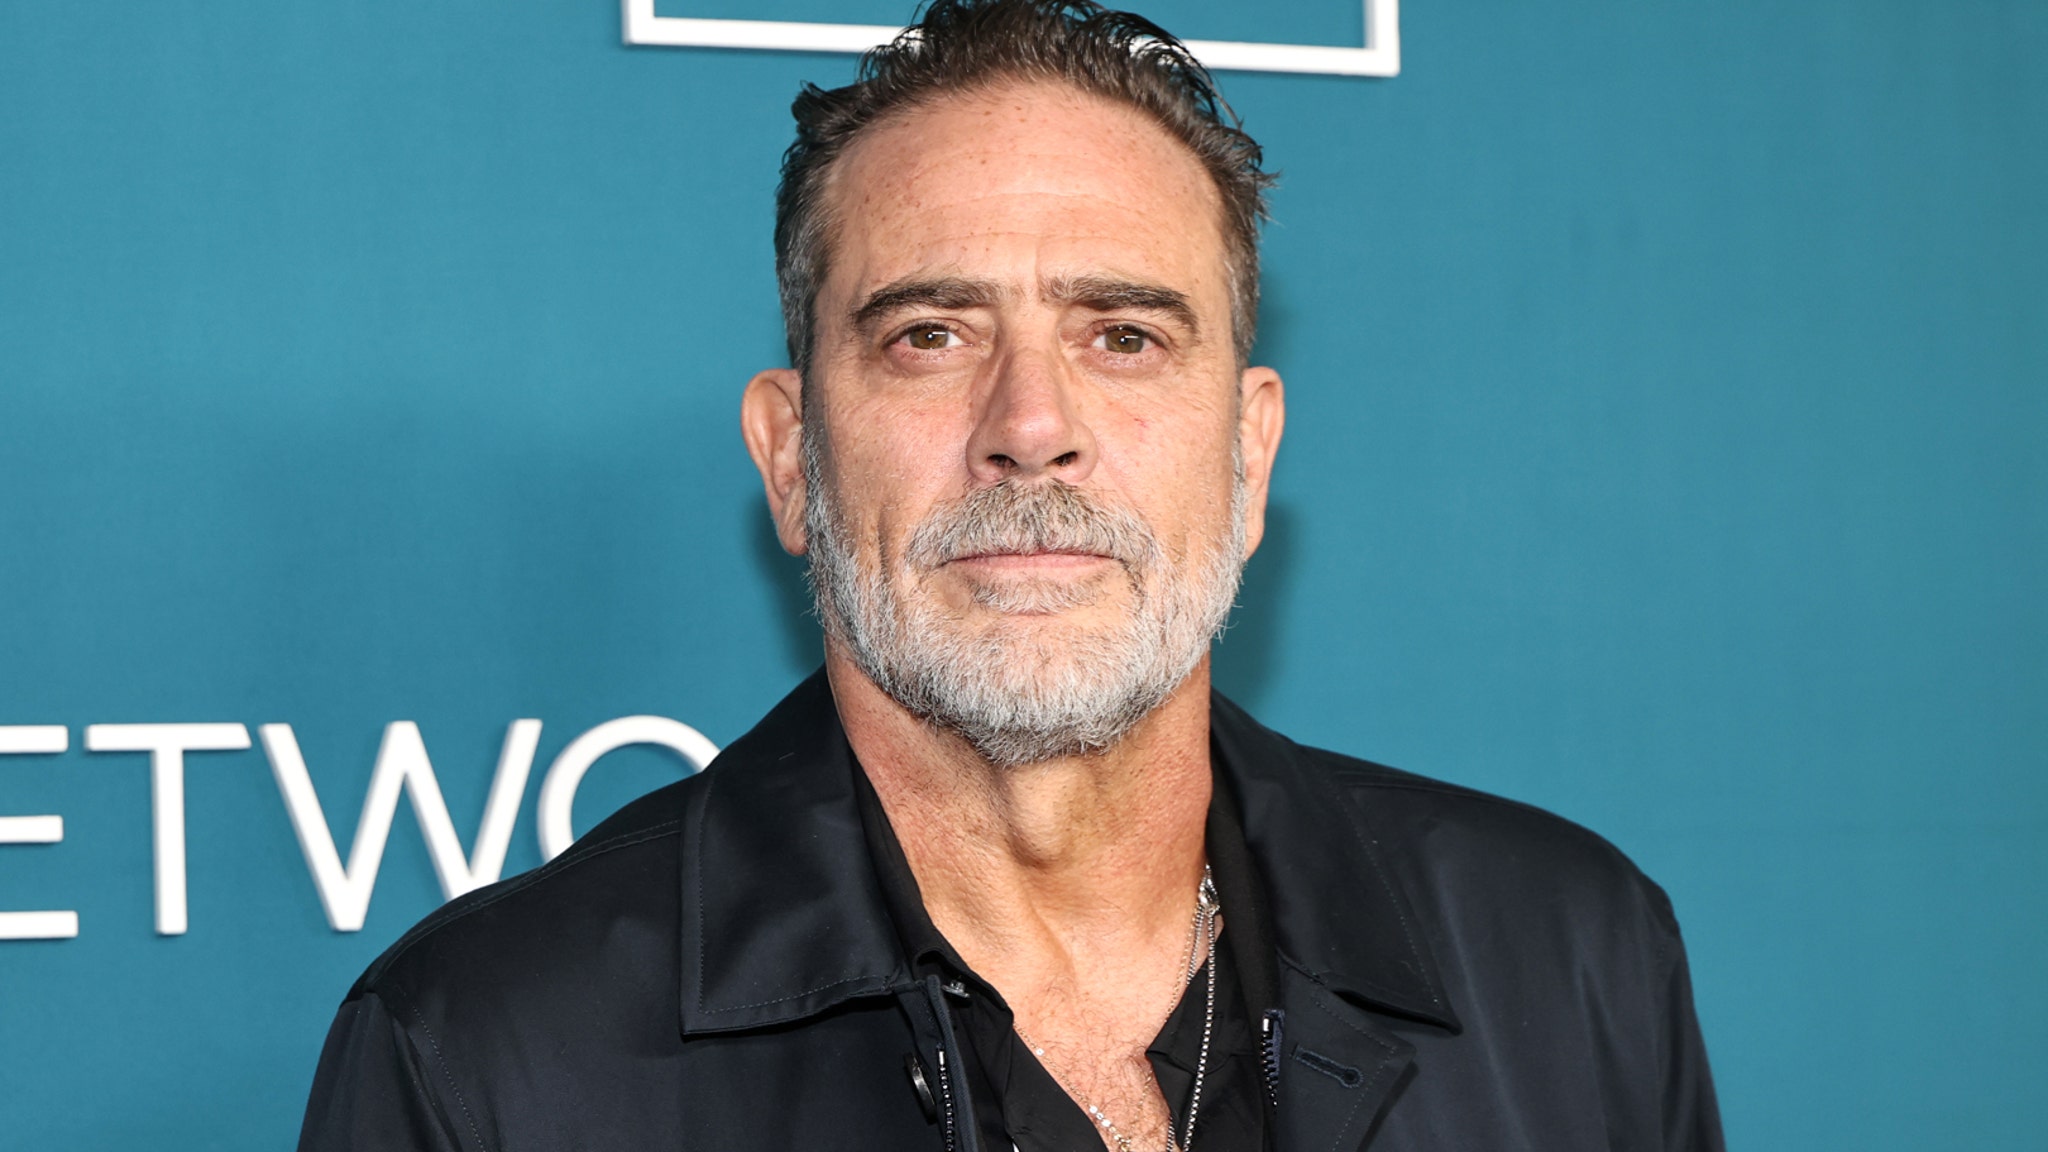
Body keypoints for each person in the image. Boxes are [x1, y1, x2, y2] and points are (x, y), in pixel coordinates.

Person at [297, 2, 1724, 1149]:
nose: (1031, 427)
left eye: (1125, 337)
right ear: (791, 459)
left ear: (1250, 452)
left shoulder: (1568, 961)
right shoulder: (486, 1059)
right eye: (930, 335)